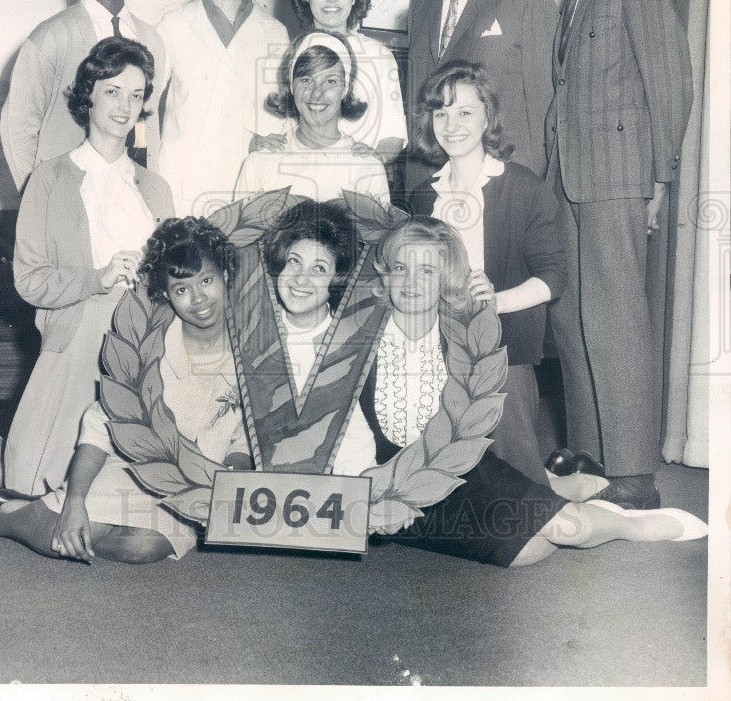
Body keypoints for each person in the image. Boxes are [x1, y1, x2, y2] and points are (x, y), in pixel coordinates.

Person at [356, 219, 707, 567]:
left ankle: (627, 523)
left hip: (460, 471)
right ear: (385, 272)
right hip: (383, 479)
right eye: (401, 267)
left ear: (446, 279)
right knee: (526, 552)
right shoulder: (358, 336)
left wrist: (406, 495)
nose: (411, 282)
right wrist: (381, 491)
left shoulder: (465, 337)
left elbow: (468, 433)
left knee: (572, 531)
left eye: (427, 271)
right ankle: (561, 489)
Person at [0, 218, 251, 563]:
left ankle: (46, 508)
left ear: (225, 275)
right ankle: (1, 518)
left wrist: (235, 471)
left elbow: (246, 431)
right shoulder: (149, 347)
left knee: (144, 547)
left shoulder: (251, 347)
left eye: (207, 280)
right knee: (60, 539)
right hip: (130, 465)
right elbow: (101, 423)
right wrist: (75, 502)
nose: (198, 298)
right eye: (181, 289)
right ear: (165, 294)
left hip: (193, 487)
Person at [545, 0, 693, 510]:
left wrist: (660, 176)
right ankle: (591, 456)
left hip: (620, 175)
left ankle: (633, 472)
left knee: (619, 320)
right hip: (569, 178)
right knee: (573, 318)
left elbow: (671, 76)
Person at [0, 38, 174, 495]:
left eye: (136, 95)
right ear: (89, 95)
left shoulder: (156, 189)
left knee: (132, 491)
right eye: (112, 91)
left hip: (144, 344)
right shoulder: (48, 178)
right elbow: (29, 280)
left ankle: (0, 459)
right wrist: (97, 278)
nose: (125, 106)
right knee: (32, 487)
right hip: (78, 336)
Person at [407, 62, 565, 486]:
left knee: (521, 487)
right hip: (435, 350)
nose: (451, 124)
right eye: (441, 113)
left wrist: (499, 300)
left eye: (464, 112)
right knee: (445, 482)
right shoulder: (424, 194)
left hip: (502, 349)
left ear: (487, 118)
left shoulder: (521, 186)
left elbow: (554, 277)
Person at [405, 0, 558, 192]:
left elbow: (546, 106)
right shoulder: (421, 5)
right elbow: (416, 105)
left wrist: (534, 189)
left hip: (505, 181)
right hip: (433, 183)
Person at [0, 0, 164, 190]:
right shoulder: (51, 37)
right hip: (71, 195)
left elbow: (147, 129)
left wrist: (150, 191)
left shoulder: (152, 39)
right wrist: (39, 201)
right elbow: (17, 127)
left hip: (131, 195)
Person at [157, 0, 289, 216]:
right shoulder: (172, 26)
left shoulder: (275, 34)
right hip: (178, 189)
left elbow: (277, 126)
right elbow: (142, 109)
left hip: (244, 194)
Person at [253, 0, 406, 166]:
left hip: (354, 184)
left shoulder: (379, 56)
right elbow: (261, 132)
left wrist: (369, 163)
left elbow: (393, 136)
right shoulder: (283, 54)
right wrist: (262, 143)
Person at [263, 200, 377, 475]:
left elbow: (357, 442)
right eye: (294, 262)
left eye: (319, 269)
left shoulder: (353, 342)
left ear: (337, 279)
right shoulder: (255, 332)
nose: (300, 279)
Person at [234, 31, 390, 205]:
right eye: (306, 80)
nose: (317, 93)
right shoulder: (259, 163)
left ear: (345, 89)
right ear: (292, 86)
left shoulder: (367, 168)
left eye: (330, 81)